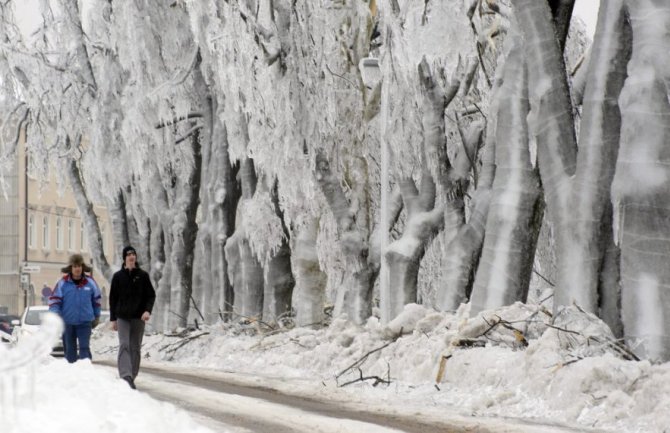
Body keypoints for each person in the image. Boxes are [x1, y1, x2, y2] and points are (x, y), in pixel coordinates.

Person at [109, 246, 155, 390]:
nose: (131, 256)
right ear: (124, 258)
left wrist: (147, 311)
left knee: (135, 347)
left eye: (133, 254)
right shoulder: (118, 277)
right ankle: (125, 375)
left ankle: (132, 375)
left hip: (138, 317)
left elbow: (151, 295)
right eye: (128, 254)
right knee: (124, 345)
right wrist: (113, 319)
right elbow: (113, 299)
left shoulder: (142, 276)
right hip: (122, 317)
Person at [49, 254, 102, 363]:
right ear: (71, 268)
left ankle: (86, 371)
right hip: (67, 322)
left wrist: (96, 316)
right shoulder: (62, 283)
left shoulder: (90, 282)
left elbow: (96, 300)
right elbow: (54, 301)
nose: (77, 269)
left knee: (84, 348)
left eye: (79, 266)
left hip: (85, 322)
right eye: (75, 266)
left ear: (82, 267)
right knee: (70, 351)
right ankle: (71, 375)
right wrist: (56, 314)